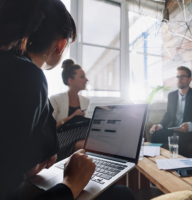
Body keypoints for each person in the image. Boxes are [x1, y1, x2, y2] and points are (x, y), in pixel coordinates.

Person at [0, 0, 134, 200]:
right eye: (81, 76)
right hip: (61, 148)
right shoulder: (28, 77)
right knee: (123, 195)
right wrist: (71, 183)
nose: (86, 79)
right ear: (61, 45)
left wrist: (28, 164)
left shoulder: (12, 68)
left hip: (38, 168)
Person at [150, 66, 192, 157]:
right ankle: (157, 160)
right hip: (173, 129)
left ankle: (177, 165)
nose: (179, 79)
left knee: (177, 137)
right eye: (177, 77)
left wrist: (189, 125)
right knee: (154, 134)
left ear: (190, 79)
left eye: (182, 76)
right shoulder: (171, 95)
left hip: (188, 132)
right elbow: (168, 115)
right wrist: (160, 125)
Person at [50, 59, 89, 152]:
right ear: (71, 80)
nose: (86, 80)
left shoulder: (85, 101)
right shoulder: (55, 99)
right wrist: (72, 116)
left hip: (77, 135)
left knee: (90, 139)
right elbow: (50, 129)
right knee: (86, 144)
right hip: (59, 138)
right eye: (82, 77)